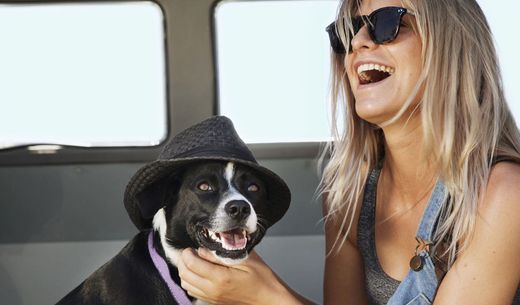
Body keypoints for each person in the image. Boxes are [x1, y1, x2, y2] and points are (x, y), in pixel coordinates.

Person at [176, 0, 520, 304]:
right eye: (346, 32)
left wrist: (268, 296)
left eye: (387, 23)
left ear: (452, 44)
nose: (357, 43)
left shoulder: (504, 193)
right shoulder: (348, 192)